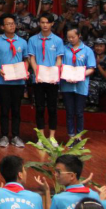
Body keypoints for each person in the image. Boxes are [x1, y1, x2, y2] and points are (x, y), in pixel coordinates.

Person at [0, 13, 29, 148]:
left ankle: (16, 136)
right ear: (2, 27)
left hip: (18, 82)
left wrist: (25, 70)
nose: (11, 26)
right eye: (8, 24)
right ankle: (4, 136)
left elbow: (26, 59)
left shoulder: (22, 42)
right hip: (3, 82)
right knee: (4, 110)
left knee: (16, 110)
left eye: (13, 23)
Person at [28, 12, 65, 145]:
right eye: (42, 22)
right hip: (38, 78)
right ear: (39, 23)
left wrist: (54, 73)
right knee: (39, 108)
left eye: (47, 22)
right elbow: (32, 58)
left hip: (52, 79)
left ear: (52, 24)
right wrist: (37, 72)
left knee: (52, 108)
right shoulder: (33, 40)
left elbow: (59, 59)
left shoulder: (58, 40)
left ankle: (52, 137)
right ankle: (41, 137)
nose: (45, 25)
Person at [61, 26, 96, 143]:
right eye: (68, 37)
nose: (71, 39)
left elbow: (91, 68)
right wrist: (65, 74)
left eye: (73, 37)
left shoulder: (87, 50)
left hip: (81, 86)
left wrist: (79, 75)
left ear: (79, 35)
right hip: (67, 85)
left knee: (79, 113)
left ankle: (79, 136)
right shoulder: (64, 49)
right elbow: (60, 66)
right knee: (69, 112)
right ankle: (71, 136)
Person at [87, 39, 106, 113]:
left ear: (105, 47)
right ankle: (89, 104)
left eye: (101, 46)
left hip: (103, 82)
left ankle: (95, 105)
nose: (98, 48)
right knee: (87, 83)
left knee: (94, 84)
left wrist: (98, 65)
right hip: (92, 79)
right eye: (97, 46)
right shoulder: (91, 57)